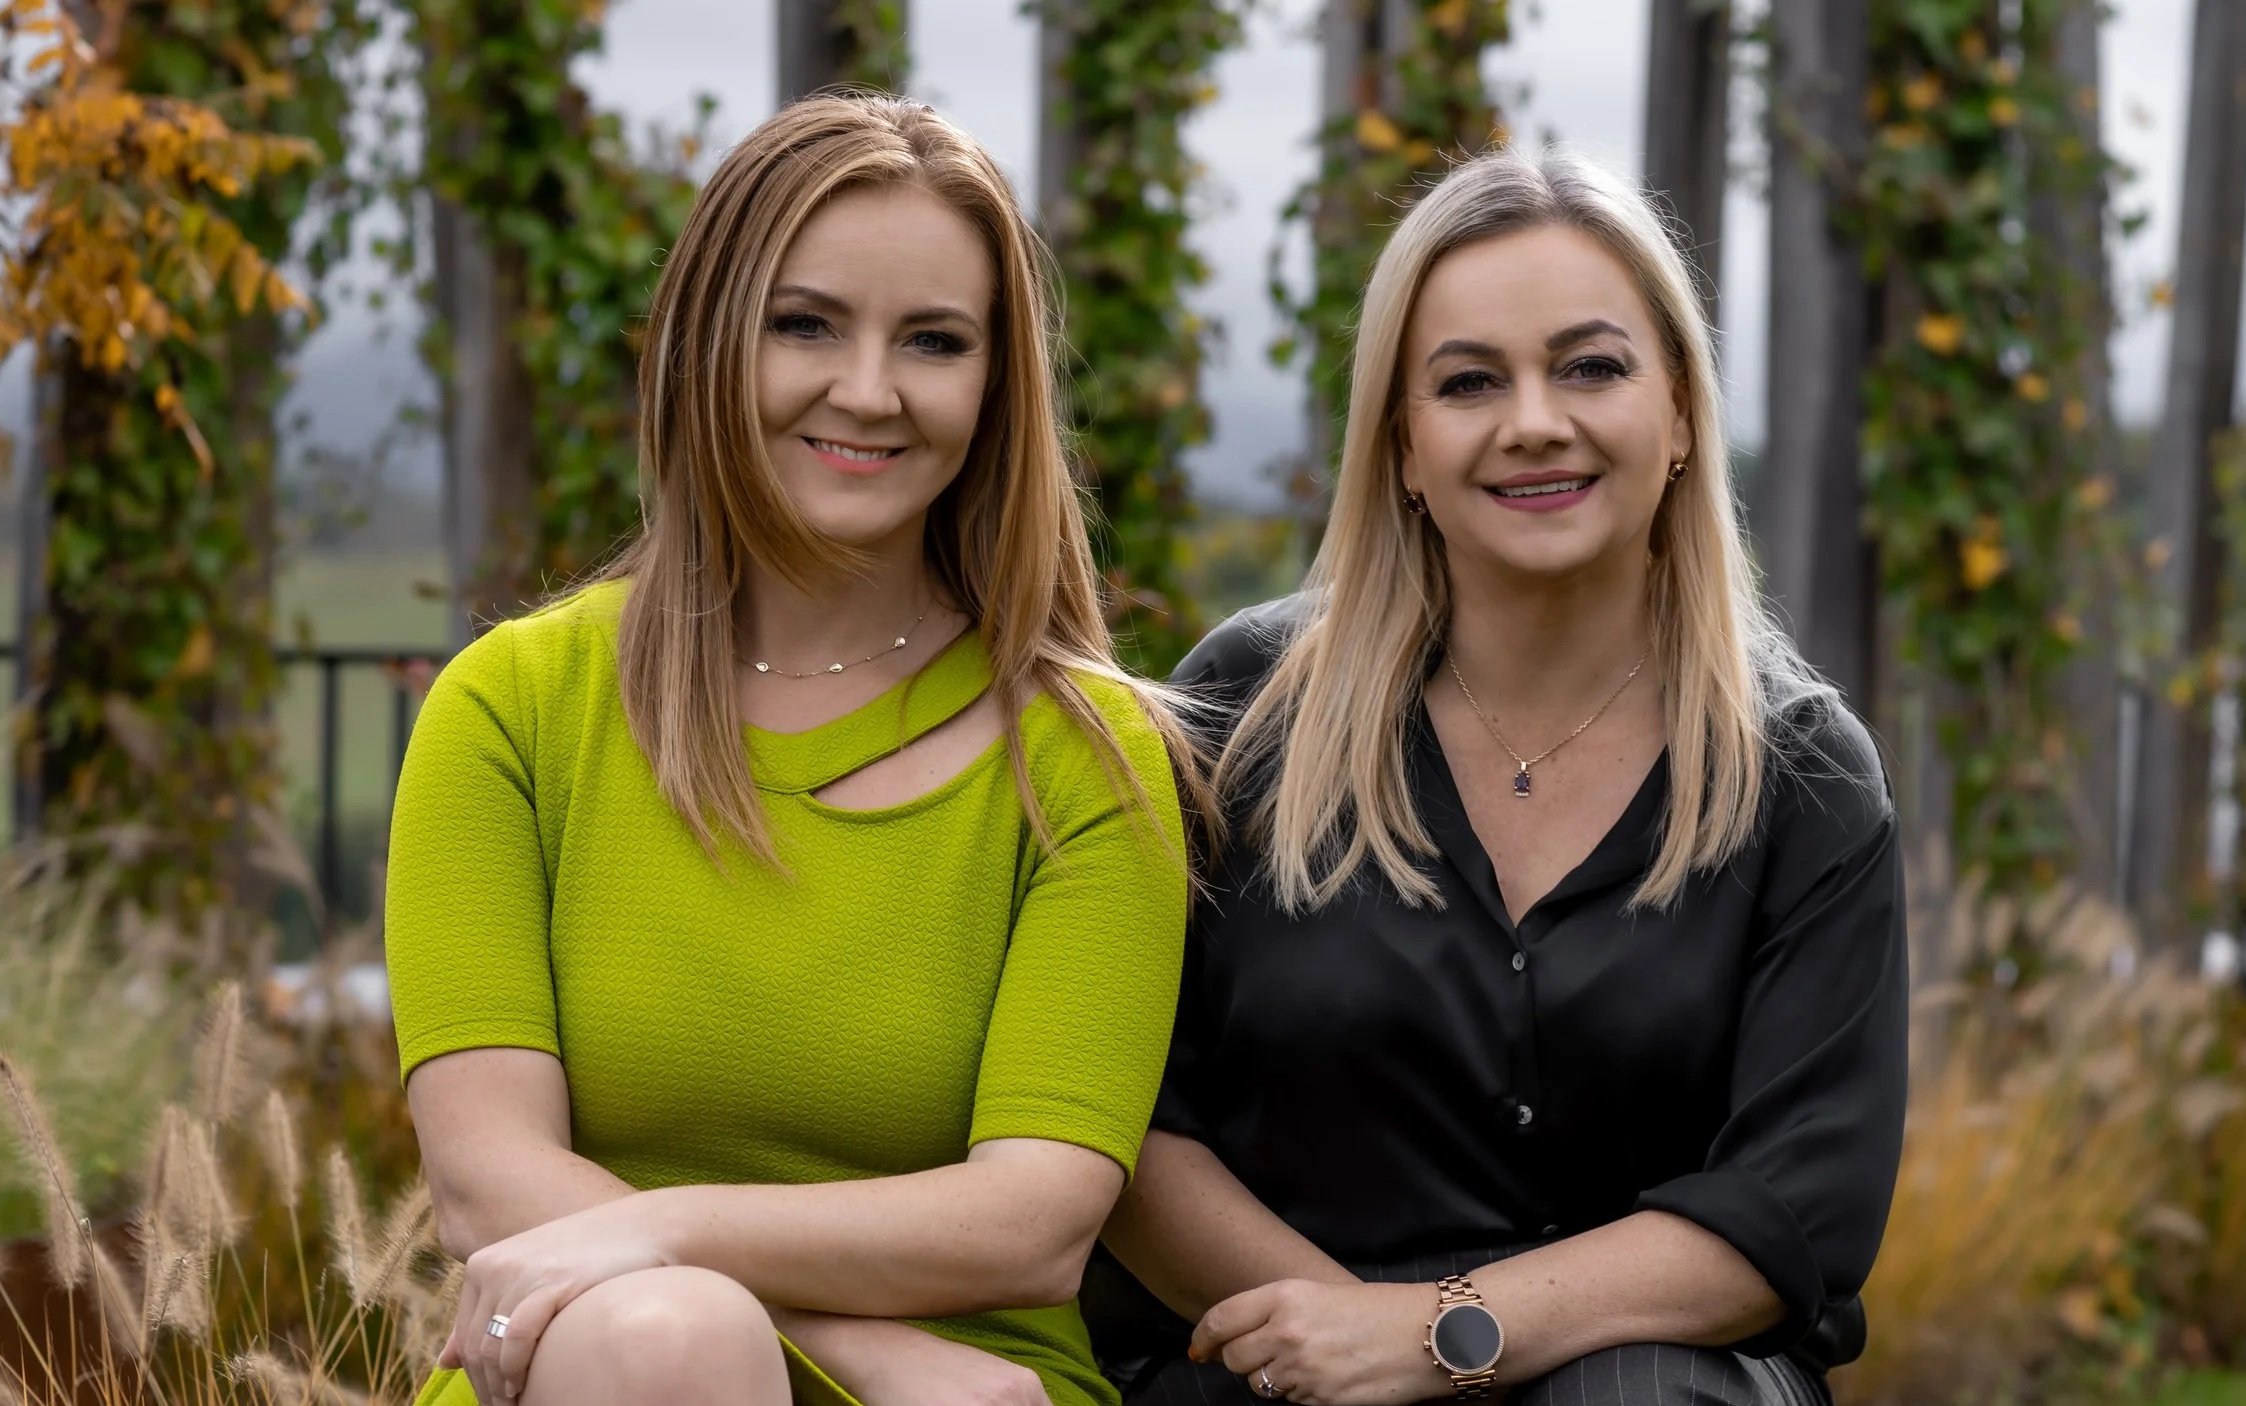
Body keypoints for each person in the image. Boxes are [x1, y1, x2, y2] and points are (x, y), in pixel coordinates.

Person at [385, 94, 1200, 1406]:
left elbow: (1034, 1221)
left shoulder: (1088, 761)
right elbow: (484, 1177)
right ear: (712, 337)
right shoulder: (515, 708)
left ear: (995, 389)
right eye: (806, 322)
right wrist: (854, 1346)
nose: (867, 391)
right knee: (663, 1340)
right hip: (607, 1367)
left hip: (974, 1390)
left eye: (932, 341)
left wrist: (683, 1233)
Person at [1089, 146, 1907, 1406]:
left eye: (1589, 365)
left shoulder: (1797, 774)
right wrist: (1340, 1349)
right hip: (1267, 1360)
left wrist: (1434, 1336)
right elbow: (1129, 1117)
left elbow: (1793, 1204)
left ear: (1681, 413)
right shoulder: (1243, 713)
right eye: (1469, 381)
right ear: (1404, 446)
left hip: (1652, 1376)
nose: (1535, 418)